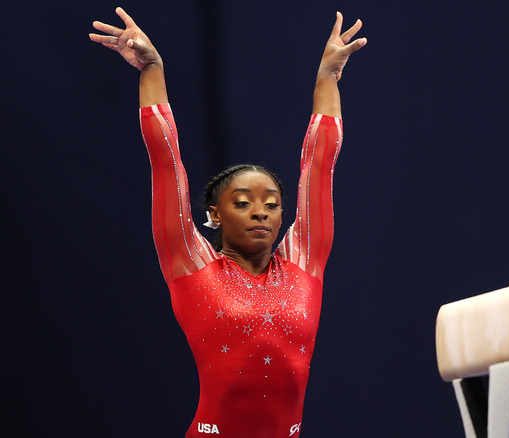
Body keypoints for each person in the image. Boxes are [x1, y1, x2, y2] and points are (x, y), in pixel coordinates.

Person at [89, 7, 366, 437]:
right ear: (214, 214)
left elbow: (320, 164)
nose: (261, 211)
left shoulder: (304, 260)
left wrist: (327, 77)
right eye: (243, 202)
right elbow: (166, 162)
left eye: (272, 204)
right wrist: (152, 69)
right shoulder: (192, 266)